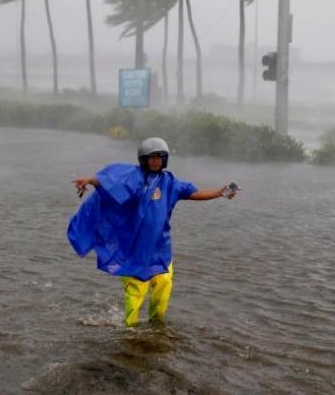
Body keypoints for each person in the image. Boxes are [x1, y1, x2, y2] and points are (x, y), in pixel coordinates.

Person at [67, 137, 238, 327]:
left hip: (160, 248)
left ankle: (157, 326)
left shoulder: (170, 182)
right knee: (136, 293)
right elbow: (112, 183)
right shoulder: (133, 178)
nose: (156, 161)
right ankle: (129, 331)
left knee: (163, 288)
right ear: (144, 159)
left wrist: (220, 192)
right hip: (134, 250)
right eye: (152, 157)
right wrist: (91, 180)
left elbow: (194, 193)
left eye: (160, 157)